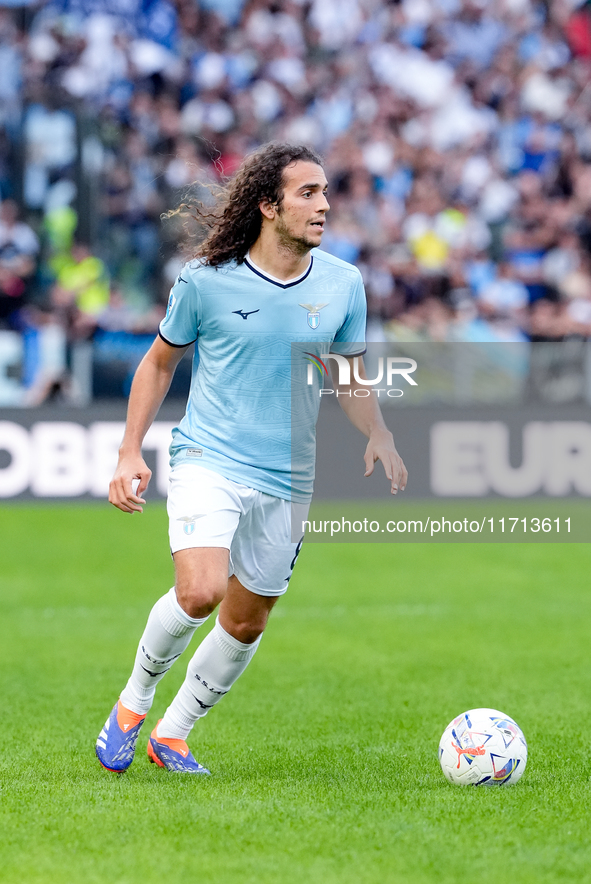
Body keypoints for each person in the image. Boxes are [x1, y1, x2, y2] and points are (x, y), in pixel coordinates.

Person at [96, 142, 408, 774]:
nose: (324, 205)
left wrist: (379, 433)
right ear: (268, 205)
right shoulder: (206, 280)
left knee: (246, 621)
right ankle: (133, 705)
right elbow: (159, 363)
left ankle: (173, 734)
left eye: (324, 192)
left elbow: (348, 375)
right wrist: (130, 450)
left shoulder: (344, 284)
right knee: (202, 591)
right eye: (307, 193)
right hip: (210, 457)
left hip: (289, 476)